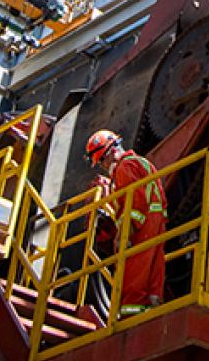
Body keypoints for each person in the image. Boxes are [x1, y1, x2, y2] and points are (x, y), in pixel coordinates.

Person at [85, 129, 167, 318]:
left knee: (133, 270)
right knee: (152, 268)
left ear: (111, 152)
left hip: (142, 224)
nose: (105, 167)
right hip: (156, 221)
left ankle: (132, 316)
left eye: (103, 161)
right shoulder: (142, 163)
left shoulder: (124, 167)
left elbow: (134, 203)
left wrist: (124, 233)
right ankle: (153, 305)